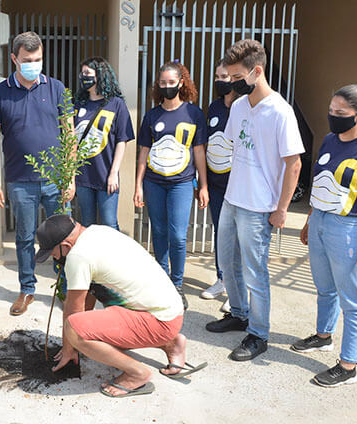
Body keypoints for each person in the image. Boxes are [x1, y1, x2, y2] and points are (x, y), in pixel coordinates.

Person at [205, 40, 304, 362]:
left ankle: (259, 333)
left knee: (254, 272)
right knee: (228, 265)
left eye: (236, 76)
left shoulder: (280, 111)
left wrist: (282, 209)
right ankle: (239, 313)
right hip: (233, 198)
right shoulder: (239, 106)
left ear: (256, 71)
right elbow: (236, 147)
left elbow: (294, 164)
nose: (231, 82)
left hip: (259, 206)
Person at [35, 215, 206, 398]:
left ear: (65, 246)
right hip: (169, 313)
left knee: (74, 329)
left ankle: (137, 374)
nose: (52, 257)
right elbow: (87, 298)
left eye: (52, 252)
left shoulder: (78, 256)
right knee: (91, 329)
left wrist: (70, 347)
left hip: (158, 322)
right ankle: (171, 344)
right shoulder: (98, 231)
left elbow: (73, 310)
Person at [291, 81, 357, 388]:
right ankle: (323, 336)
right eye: (331, 110)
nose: (332, 116)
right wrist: (310, 222)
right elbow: (321, 185)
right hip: (322, 221)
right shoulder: (331, 140)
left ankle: (348, 366)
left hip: (350, 229)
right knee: (324, 287)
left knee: (354, 300)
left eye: (340, 112)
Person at [0, 31, 73, 316]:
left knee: (65, 238)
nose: (33, 64)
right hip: (20, 181)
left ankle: (66, 289)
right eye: (26, 60)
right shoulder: (0, 93)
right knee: (24, 238)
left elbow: (69, 135)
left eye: (37, 59)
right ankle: (27, 289)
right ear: (14, 59)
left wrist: (69, 177)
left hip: (55, 180)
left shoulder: (57, 89)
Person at [134, 61, 208, 309]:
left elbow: (199, 152)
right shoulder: (152, 115)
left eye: (171, 82)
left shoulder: (194, 114)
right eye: (162, 83)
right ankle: (163, 280)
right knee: (159, 232)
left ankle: (177, 284)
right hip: (154, 183)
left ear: (181, 83)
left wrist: (203, 185)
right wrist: (138, 185)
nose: (167, 86)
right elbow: (143, 152)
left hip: (182, 183)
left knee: (177, 236)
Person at [74, 57, 135, 230]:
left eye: (87, 73)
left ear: (100, 76)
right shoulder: (78, 105)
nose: (83, 77)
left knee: (109, 223)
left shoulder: (116, 104)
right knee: (87, 224)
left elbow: (122, 141)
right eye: (82, 73)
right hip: (83, 175)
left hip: (106, 174)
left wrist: (114, 173)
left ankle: (113, 258)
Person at [200, 59, 239, 313]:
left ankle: (237, 288)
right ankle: (222, 279)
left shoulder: (244, 107)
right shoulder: (214, 107)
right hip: (215, 183)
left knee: (237, 236)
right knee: (220, 232)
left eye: (224, 76)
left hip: (238, 186)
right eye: (217, 75)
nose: (219, 80)